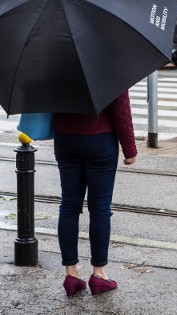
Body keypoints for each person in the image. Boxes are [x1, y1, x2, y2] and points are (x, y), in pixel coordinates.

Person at [53, 91, 137, 296]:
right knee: (99, 208)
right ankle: (99, 274)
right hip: (100, 139)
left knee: (69, 206)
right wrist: (130, 148)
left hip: (65, 138)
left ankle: (71, 274)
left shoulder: (56, 62)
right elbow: (120, 108)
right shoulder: (108, 63)